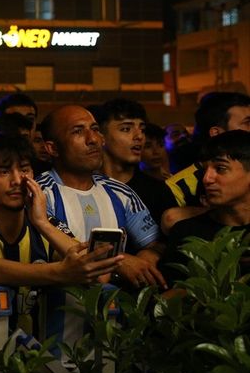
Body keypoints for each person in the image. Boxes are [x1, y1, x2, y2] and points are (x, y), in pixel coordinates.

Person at [0, 133, 120, 373]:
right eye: (3, 172)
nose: (17, 181)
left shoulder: (44, 223)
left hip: (32, 369)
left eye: (24, 170)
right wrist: (59, 272)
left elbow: (98, 274)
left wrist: (42, 223)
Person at [36, 105, 164, 290]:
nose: (93, 139)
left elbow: (155, 243)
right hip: (59, 305)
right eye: (78, 131)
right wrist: (120, 261)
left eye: (95, 129)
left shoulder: (120, 192)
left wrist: (147, 258)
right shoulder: (39, 193)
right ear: (53, 148)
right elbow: (58, 254)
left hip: (116, 307)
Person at [160, 130, 250, 285]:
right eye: (205, 170)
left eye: (220, 168)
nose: (207, 179)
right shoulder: (186, 232)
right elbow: (171, 294)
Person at [94, 99, 176, 228]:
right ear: (101, 136)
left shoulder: (158, 192)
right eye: (126, 129)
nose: (139, 136)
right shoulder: (83, 188)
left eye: (142, 129)